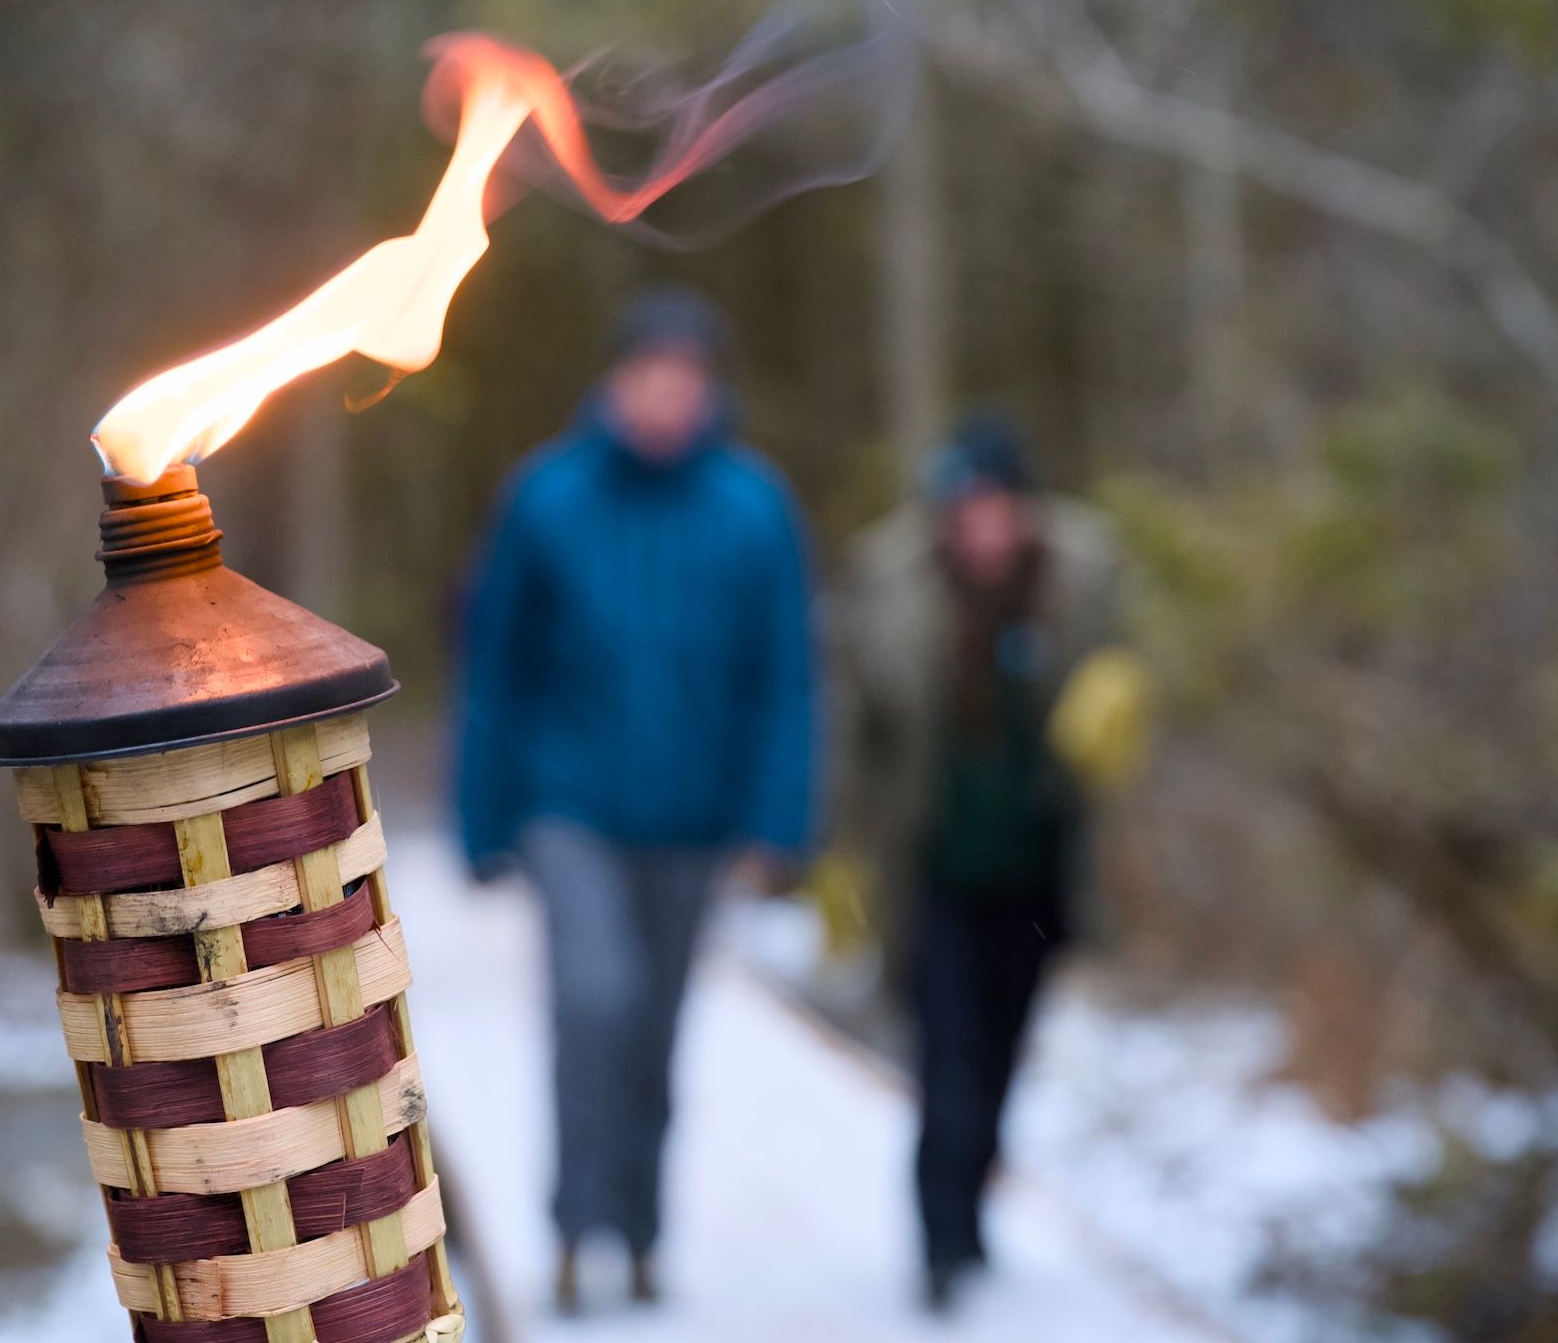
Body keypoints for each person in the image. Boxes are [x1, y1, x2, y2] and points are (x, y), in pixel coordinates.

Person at [455, 286, 816, 1311]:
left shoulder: (753, 508)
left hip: (693, 818)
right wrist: (484, 819)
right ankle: (573, 1228)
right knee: (593, 997)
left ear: (707, 390)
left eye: (685, 377)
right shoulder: (546, 498)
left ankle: (642, 1232)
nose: (665, 395)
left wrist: (775, 819)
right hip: (568, 806)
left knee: (655, 1029)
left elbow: (785, 676)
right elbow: (496, 666)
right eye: (648, 373)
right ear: (614, 382)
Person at [832, 409, 1135, 1311]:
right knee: (947, 1057)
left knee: (1001, 1053)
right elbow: (854, 731)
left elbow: (1126, 684)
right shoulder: (893, 588)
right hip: (932, 870)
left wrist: (1117, 709)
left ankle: (969, 1213)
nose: (981, 528)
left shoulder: (1085, 581)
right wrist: (836, 856)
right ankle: (937, 1241)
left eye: (997, 508)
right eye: (963, 510)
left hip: (1039, 869)